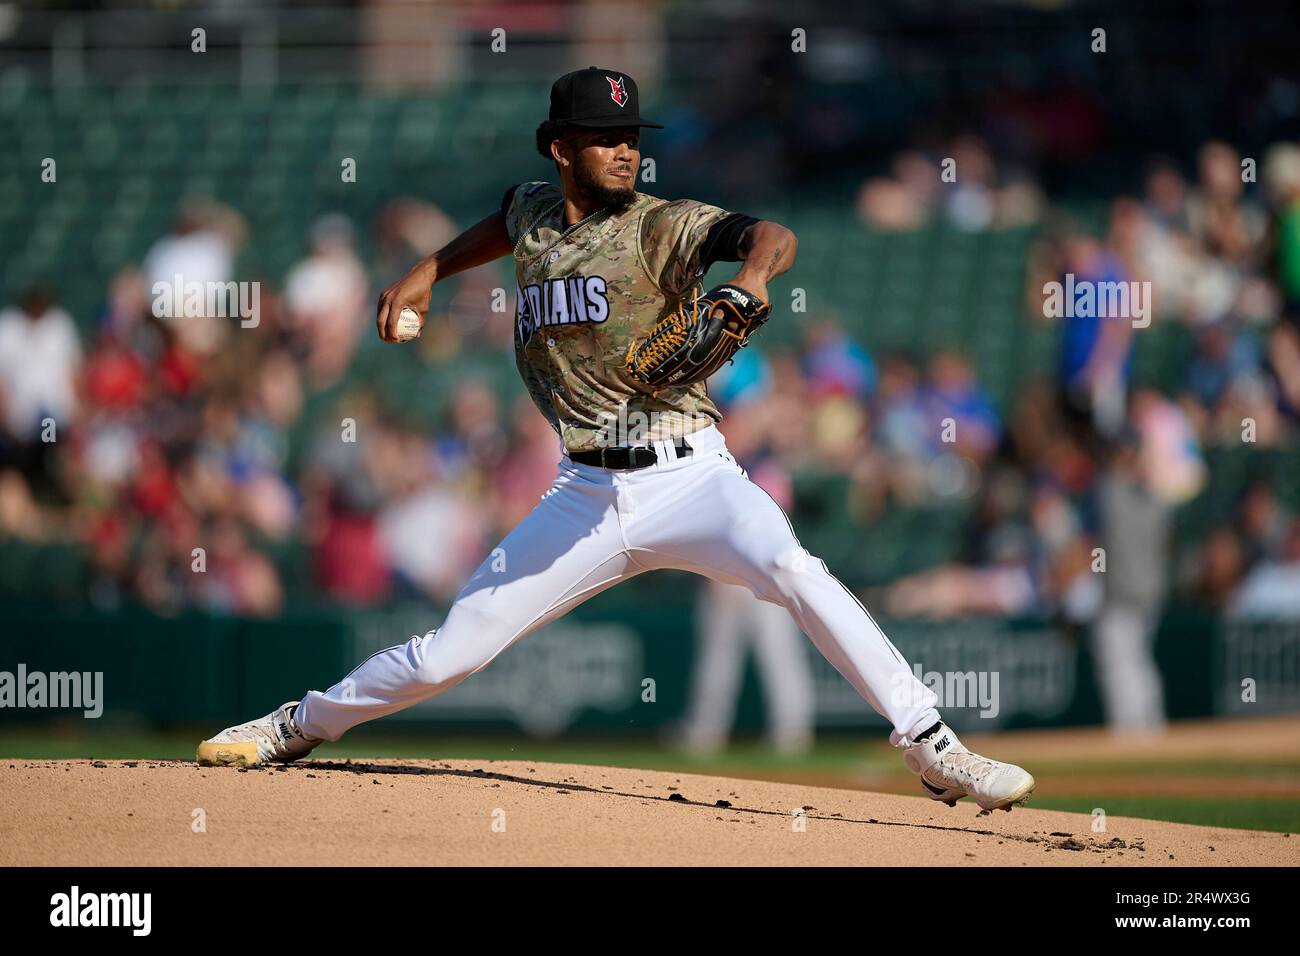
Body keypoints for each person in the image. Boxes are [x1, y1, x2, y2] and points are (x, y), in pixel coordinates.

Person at [197, 67, 1035, 812]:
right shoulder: (532, 211)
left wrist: (749, 276)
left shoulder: (659, 225)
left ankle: (932, 746)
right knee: (447, 657)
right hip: (586, 493)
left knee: (794, 569)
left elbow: (770, 236)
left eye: (631, 138)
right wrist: (428, 270)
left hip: (693, 475)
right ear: (560, 149)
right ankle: (296, 724)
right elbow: (500, 226)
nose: (625, 151)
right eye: (604, 138)